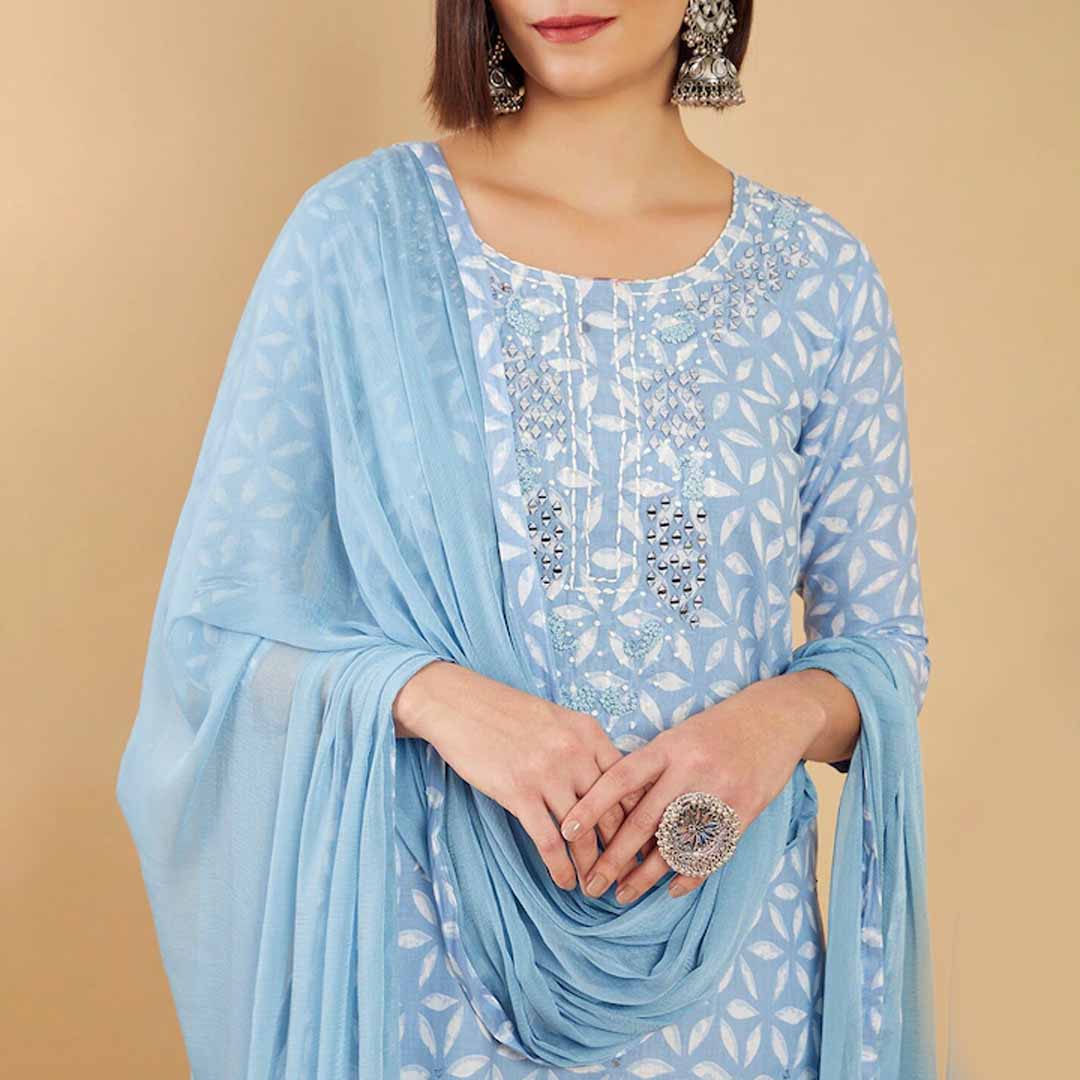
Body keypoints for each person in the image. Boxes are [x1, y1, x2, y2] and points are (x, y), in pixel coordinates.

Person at [117, 3, 937, 1078]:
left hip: (732, 971)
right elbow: (217, 638)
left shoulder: (815, 277)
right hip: (427, 964)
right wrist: (431, 695)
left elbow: (884, 646)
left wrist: (768, 726)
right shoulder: (360, 239)